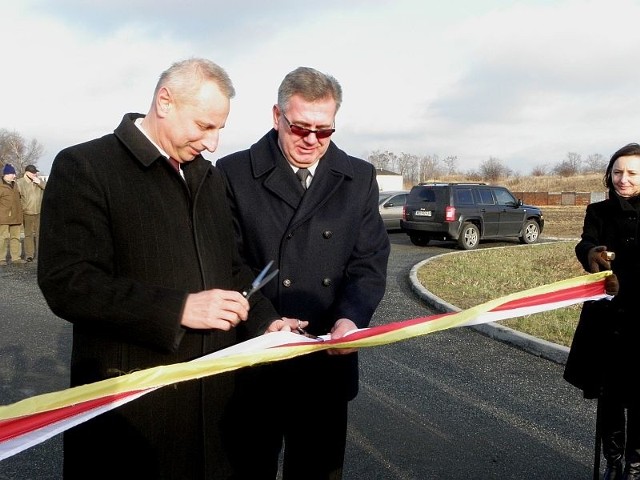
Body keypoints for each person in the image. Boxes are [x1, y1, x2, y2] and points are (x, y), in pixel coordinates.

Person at [37, 58, 295, 480]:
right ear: (165, 101)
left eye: (219, 129)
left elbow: (230, 266)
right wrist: (178, 309)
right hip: (132, 411)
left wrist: (267, 322)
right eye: (204, 126)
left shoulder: (207, 177)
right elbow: (67, 282)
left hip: (212, 408)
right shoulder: (86, 166)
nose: (212, 143)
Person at [217, 66, 391, 480]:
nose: (312, 140)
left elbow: (368, 261)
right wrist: (265, 320)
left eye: (324, 130)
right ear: (276, 116)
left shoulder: (358, 177)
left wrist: (352, 318)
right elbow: (228, 262)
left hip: (324, 363)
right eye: (300, 128)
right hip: (256, 360)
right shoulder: (232, 173)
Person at [568, 142, 640, 480]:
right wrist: (592, 254)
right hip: (606, 318)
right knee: (609, 396)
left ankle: (635, 466)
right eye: (617, 172)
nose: (622, 179)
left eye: (631, 173)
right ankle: (612, 462)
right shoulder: (598, 211)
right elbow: (585, 243)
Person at [16, 164, 46, 262]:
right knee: (28, 234)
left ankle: (40, 254)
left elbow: (48, 189)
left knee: (39, 234)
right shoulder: (20, 182)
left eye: (35, 172)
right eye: (33, 173)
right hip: (27, 212)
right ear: (27, 173)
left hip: (39, 212)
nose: (35, 174)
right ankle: (29, 255)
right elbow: (17, 197)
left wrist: (40, 183)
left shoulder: (38, 181)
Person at [0, 163, 25, 265]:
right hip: (3, 217)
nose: (14, 176)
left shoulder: (16, 185)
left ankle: (16, 258)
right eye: (12, 174)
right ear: (6, 174)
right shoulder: (1, 186)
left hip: (16, 216)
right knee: (3, 238)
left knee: (16, 238)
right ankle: (1, 258)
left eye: (14, 174)